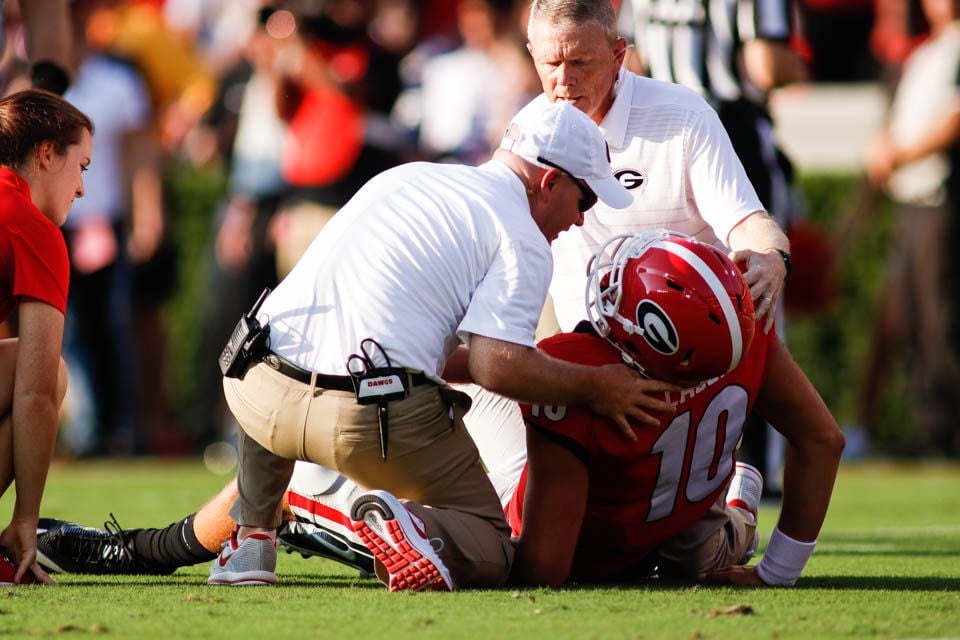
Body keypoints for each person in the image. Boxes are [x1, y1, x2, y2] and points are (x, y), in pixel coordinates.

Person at [208, 98, 677, 592]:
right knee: (492, 544)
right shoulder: (522, 238)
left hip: (253, 387)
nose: (582, 220)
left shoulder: (406, 177)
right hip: (365, 418)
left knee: (288, 355)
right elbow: (500, 367)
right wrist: (598, 387)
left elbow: (388, 333)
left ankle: (252, 538)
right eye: (586, 200)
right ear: (550, 181)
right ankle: (372, 519)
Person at [508, 231, 845, 586]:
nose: (612, 281)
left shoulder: (576, 363)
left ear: (654, 336)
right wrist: (779, 572)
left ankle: (739, 514)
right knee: (695, 560)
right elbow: (822, 440)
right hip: (674, 512)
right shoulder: (747, 330)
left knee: (487, 538)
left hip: (617, 535)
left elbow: (544, 568)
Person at [616, 0, 811, 496]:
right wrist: (802, 64)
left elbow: (631, 63)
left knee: (662, 288)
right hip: (732, 128)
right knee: (755, 294)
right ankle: (754, 464)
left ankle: (668, 452)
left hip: (658, 135)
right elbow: (765, 65)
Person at [523, 0, 790, 338]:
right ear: (532, 54)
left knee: (775, 369)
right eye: (551, 63)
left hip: (697, 343)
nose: (563, 79)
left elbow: (748, 222)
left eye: (580, 62)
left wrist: (771, 257)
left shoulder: (684, 116)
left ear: (619, 55)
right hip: (588, 352)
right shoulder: (524, 134)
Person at [857, 0, 960, 457]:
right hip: (912, 200)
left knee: (942, 320)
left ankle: (945, 433)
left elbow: (954, 120)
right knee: (913, 321)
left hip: (942, 199)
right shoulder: (924, 54)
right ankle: (927, 432)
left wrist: (900, 153)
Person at [0, 88, 94, 584]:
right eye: (82, 166)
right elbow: (36, 391)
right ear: (45, 154)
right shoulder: (31, 226)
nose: (82, 189)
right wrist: (26, 520)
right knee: (44, 370)